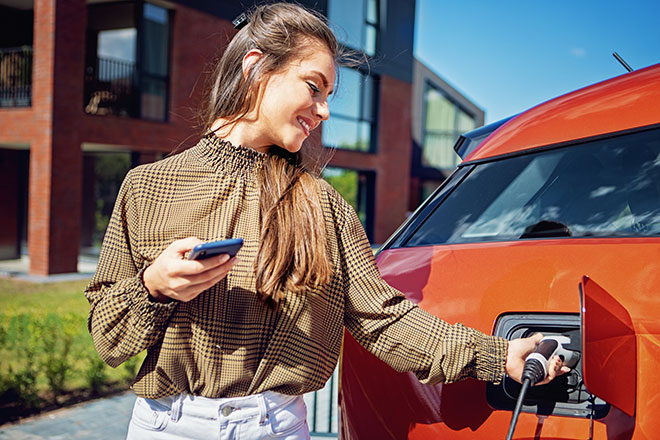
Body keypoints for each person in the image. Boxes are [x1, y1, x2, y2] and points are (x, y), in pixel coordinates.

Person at [84, 3, 567, 439]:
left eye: (329, 93)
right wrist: (154, 286)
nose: (325, 110)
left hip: (273, 428)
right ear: (256, 68)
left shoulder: (324, 206)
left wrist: (498, 354)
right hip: (162, 428)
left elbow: (386, 321)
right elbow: (108, 338)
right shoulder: (145, 187)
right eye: (314, 87)